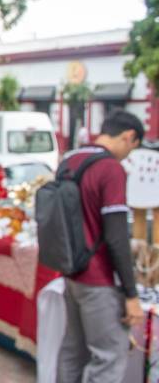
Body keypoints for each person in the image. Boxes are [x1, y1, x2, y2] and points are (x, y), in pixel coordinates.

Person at [57, 111, 144, 382]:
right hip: (99, 278)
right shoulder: (111, 169)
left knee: (73, 351)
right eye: (132, 148)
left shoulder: (69, 159)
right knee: (108, 357)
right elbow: (116, 236)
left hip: (71, 271)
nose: (128, 155)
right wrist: (131, 295)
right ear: (128, 137)